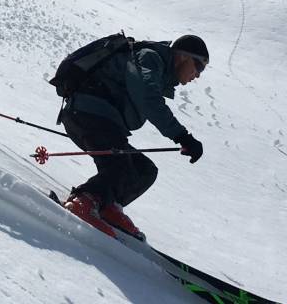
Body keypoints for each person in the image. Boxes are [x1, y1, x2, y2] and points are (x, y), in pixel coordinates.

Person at [59, 34, 208, 240]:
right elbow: (148, 98)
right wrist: (182, 136)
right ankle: (83, 202)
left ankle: (108, 206)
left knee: (143, 170)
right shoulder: (150, 58)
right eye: (199, 66)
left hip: (99, 118)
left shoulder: (159, 68)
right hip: (89, 112)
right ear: (183, 56)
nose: (198, 75)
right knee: (120, 166)